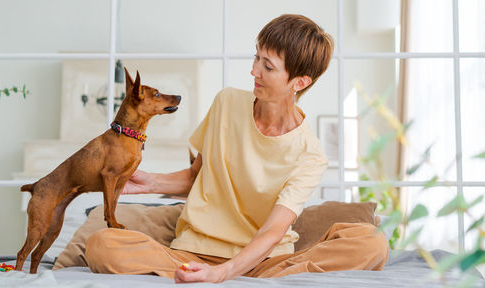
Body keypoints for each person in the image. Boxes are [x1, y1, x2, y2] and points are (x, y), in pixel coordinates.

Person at [85, 14, 388, 283]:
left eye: (267, 66)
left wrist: (224, 273)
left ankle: (237, 277)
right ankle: (205, 273)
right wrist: (147, 183)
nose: (254, 71)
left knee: (372, 243)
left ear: (298, 82)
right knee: (102, 245)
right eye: (257, 58)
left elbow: (273, 231)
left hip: (266, 260)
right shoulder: (227, 102)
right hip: (194, 251)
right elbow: (197, 177)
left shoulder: (310, 153)